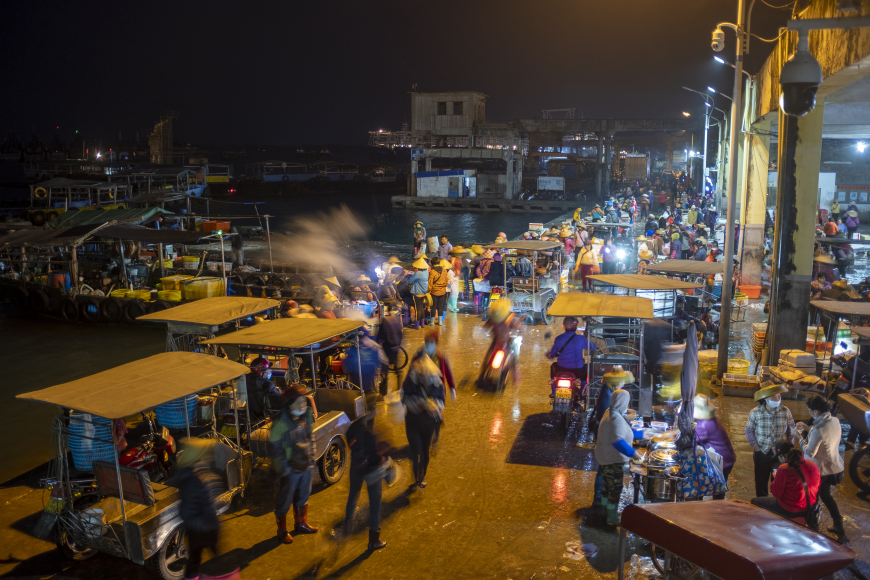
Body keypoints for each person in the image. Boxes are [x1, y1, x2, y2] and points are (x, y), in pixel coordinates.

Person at [270, 385, 318, 544]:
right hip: (290, 469)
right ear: (289, 404)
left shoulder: (306, 417)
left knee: (303, 496)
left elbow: (310, 438)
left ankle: (301, 523)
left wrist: (312, 459)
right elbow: (276, 450)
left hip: (306, 466)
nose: (302, 405)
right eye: (298, 402)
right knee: (285, 500)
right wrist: (284, 469)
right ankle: (282, 530)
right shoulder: (280, 424)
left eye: (303, 402)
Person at [177, 438, 231, 580]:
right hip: (207, 527)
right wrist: (215, 526)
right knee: (217, 559)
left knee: (194, 559)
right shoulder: (206, 477)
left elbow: (186, 509)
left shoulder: (185, 476)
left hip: (192, 528)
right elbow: (212, 507)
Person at [595, 389, 645, 525]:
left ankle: (606, 511)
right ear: (622, 402)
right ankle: (611, 518)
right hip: (612, 460)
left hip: (603, 457)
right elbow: (618, 441)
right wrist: (634, 454)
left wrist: (626, 416)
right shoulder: (615, 419)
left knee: (606, 487)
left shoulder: (610, 411)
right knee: (615, 489)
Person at [797, 395, 845, 534]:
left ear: (816, 411)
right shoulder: (835, 421)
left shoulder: (817, 429)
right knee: (826, 496)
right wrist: (807, 428)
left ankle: (812, 526)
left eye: (809, 410)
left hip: (821, 470)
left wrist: (798, 437)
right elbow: (826, 437)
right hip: (834, 466)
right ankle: (838, 524)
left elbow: (810, 452)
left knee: (813, 498)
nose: (809, 413)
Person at [343, 412, 391, 551]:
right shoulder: (372, 435)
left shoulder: (352, 429)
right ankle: (373, 541)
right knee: (375, 506)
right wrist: (384, 460)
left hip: (356, 468)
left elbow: (352, 444)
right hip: (372, 472)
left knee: (353, 495)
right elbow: (376, 457)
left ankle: (347, 526)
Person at [750, 443, 821, 528]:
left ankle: (765, 528)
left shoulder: (784, 469)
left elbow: (776, 493)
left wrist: (776, 480)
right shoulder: (812, 465)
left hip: (790, 508)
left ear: (784, 456)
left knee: (755, 501)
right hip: (810, 506)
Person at [401, 356, 445, 489]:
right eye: (421, 374)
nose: (424, 377)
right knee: (416, 452)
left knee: (425, 452)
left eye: (426, 375)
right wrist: (418, 403)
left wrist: (431, 406)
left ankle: (422, 475)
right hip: (413, 423)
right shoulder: (411, 382)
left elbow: (441, 404)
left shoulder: (438, 384)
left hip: (428, 424)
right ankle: (417, 477)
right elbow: (404, 399)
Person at [745, 384, 796, 497]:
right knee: (761, 482)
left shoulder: (785, 411)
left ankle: (778, 504)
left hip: (780, 455)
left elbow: (792, 430)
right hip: (762, 453)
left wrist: (788, 448)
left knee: (780, 481)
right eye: (774, 397)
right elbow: (749, 430)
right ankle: (762, 505)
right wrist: (756, 446)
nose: (777, 399)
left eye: (778, 396)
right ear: (766, 399)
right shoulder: (756, 412)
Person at [411, 330, 456, 454]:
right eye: (427, 342)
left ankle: (435, 437)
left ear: (436, 343)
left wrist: (452, 388)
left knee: (435, 416)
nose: (429, 344)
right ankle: (423, 437)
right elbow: (411, 373)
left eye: (431, 342)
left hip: (437, 392)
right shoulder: (418, 356)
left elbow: (447, 373)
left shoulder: (441, 357)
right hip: (422, 392)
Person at [694, 395, 735, 499]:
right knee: (718, 489)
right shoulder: (710, 420)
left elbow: (692, 440)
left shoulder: (704, 425)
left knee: (718, 492)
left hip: (722, 462)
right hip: (726, 458)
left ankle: (717, 510)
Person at [546, 316, 595, 381]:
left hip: (561, 368)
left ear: (564, 326)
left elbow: (552, 354)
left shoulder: (559, 338)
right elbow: (593, 347)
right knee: (587, 369)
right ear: (576, 326)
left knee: (553, 366)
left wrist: (549, 355)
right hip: (578, 369)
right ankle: (583, 389)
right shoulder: (581, 339)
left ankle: (553, 389)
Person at [377, 306, 404, 397]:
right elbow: (401, 333)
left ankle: (383, 393)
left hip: (387, 348)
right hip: (396, 347)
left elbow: (380, 336)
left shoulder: (384, 321)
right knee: (396, 367)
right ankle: (399, 387)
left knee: (384, 371)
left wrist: (377, 344)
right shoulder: (395, 319)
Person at [428, 259, 451, 326]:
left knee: (433, 307)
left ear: (432, 264)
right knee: (440, 306)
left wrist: (429, 291)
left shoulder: (432, 272)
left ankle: (432, 322)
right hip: (442, 291)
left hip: (434, 292)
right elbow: (446, 281)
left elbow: (430, 283)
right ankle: (440, 322)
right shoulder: (444, 270)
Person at [409, 258, 429, 329]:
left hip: (417, 293)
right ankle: (422, 324)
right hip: (423, 292)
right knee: (421, 308)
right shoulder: (426, 272)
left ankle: (417, 325)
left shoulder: (417, 273)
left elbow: (410, 281)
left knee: (417, 309)